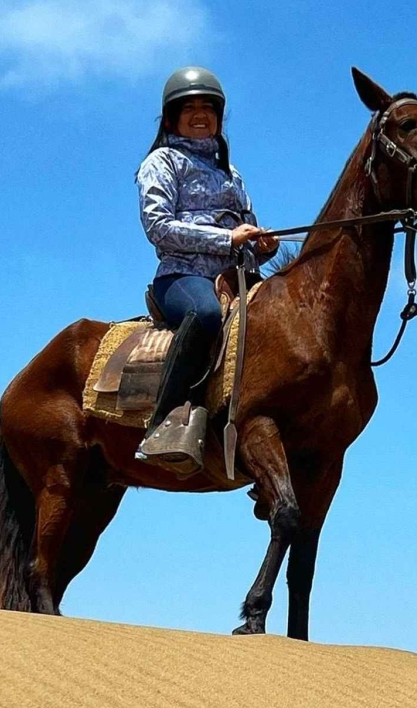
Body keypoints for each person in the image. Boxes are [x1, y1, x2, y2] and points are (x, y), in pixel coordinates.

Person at [134, 66, 278, 462]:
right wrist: (226, 238)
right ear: (171, 119)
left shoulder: (231, 173)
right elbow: (158, 227)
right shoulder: (162, 162)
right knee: (206, 314)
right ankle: (165, 423)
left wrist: (260, 246)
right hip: (183, 276)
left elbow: (244, 235)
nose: (201, 115)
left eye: (208, 108)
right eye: (190, 108)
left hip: (238, 278)